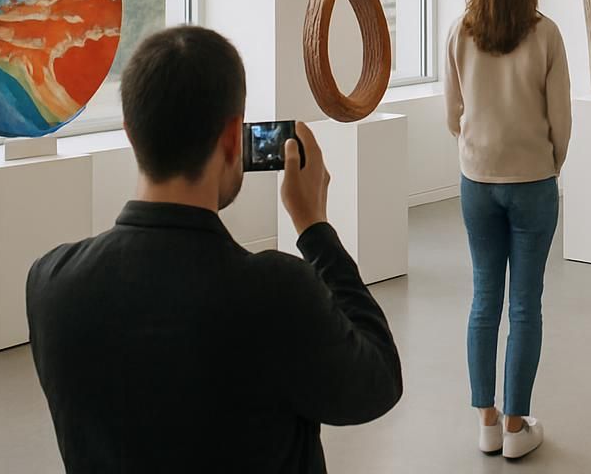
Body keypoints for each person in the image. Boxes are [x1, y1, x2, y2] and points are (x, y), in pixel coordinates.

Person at [25, 26, 402, 474]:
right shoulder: (275, 291)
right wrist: (314, 227)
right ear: (230, 139)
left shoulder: (49, 283)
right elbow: (377, 381)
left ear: (131, 132)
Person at [444, 0, 571, 461]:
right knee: (525, 305)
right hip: (533, 182)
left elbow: (453, 116)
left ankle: (486, 423)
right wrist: (547, 162)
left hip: (478, 181)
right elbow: (561, 122)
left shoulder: (459, 32)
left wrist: (479, 151)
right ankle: (518, 426)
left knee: (483, 300)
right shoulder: (546, 35)